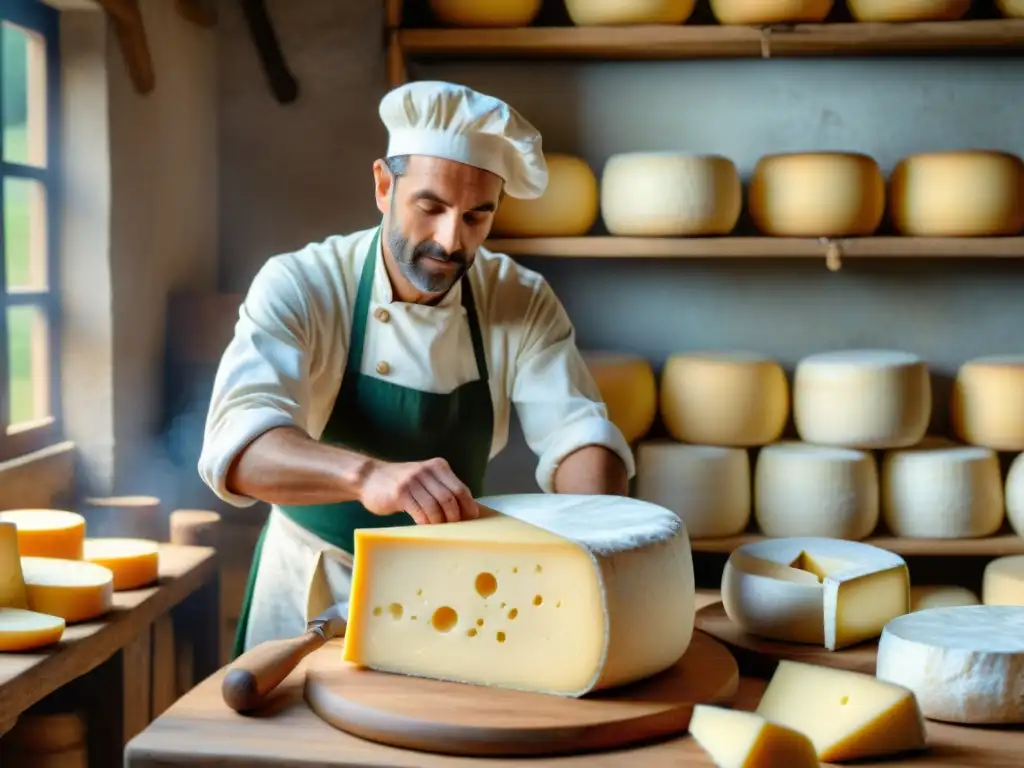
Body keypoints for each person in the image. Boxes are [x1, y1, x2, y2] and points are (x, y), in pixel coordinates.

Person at [198, 80, 635, 658]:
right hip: (311, 591)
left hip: (450, 596)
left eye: (477, 216)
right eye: (430, 208)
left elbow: (578, 433)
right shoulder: (303, 284)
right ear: (384, 185)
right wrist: (368, 477)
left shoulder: (519, 298)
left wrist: (601, 541)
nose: (451, 240)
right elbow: (240, 447)